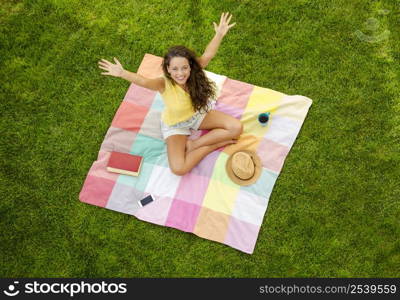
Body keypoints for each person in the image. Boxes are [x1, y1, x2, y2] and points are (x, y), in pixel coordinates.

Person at [98, 12, 242, 176]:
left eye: (184, 68)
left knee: (236, 127)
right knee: (179, 169)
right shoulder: (163, 83)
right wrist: (122, 73)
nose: (180, 73)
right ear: (168, 69)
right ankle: (212, 146)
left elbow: (208, 54)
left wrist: (219, 34)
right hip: (176, 125)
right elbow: (144, 82)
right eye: (175, 69)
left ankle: (195, 145)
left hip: (197, 114)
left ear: (190, 66)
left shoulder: (194, 72)